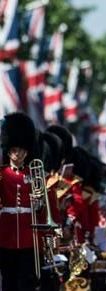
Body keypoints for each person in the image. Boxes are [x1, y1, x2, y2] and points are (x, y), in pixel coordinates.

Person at [0, 112, 38, 291]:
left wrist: (39, 203)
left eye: (22, 150)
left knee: (26, 281)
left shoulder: (33, 175)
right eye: (15, 150)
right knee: (8, 280)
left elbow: (43, 207)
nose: (19, 154)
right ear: (8, 151)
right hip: (5, 234)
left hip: (28, 235)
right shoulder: (2, 174)